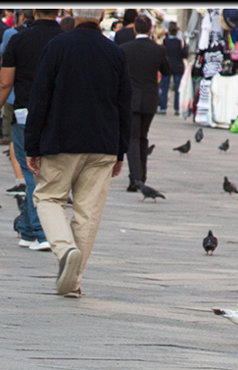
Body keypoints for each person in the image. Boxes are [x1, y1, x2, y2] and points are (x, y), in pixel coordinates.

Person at [25, 7, 131, 298]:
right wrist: (121, 150)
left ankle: (65, 248)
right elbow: (124, 105)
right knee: (88, 212)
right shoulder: (115, 52)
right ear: (100, 16)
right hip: (103, 144)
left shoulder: (58, 46)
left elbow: (40, 96)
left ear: (72, 13)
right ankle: (73, 281)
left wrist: (32, 144)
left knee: (47, 197)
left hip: (61, 139)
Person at [0, 8, 61, 251]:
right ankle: (37, 231)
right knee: (44, 175)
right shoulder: (65, 39)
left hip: (24, 113)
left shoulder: (19, 39)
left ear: (34, 11)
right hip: (56, 115)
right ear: (58, 11)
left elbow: (5, 81)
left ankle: (30, 230)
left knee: (31, 174)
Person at [120, 15, 169, 191]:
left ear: (134, 29)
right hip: (149, 98)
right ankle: (142, 176)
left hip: (131, 98)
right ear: (150, 30)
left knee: (132, 138)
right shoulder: (158, 50)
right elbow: (167, 70)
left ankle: (135, 178)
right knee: (143, 136)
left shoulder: (125, 49)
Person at [159, 21, 188, 115]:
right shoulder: (180, 42)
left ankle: (163, 107)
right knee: (177, 88)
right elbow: (184, 55)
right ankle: (177, 108)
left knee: (164, 87)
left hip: (166, 66)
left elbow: (162, 54)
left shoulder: (165, 41)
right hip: (178, 66)